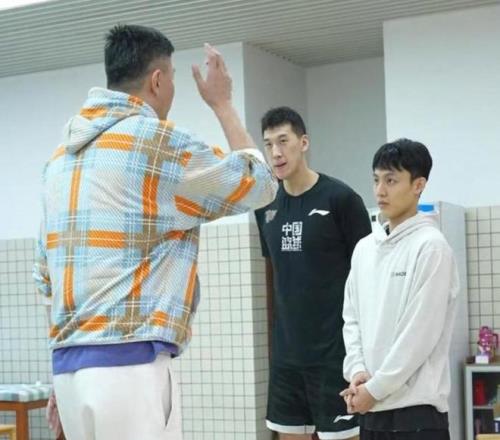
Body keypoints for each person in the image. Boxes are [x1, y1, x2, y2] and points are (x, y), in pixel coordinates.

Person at [32, 24, 277, 440]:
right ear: (158, 80)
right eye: (174, 79)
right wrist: (222, 103)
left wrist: (61, 372)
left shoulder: (59, 162)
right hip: (130, 367)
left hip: (68, 371)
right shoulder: (156, 144)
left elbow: (45, 278)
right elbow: (260, 183)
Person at [255, 107, 371, 440]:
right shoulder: (266, 206)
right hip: (286, 359)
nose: (276, 152)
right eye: (269, 144)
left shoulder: (341, 199)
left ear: (303, 142)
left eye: (283, 141)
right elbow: (276, 276)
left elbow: (367, 277)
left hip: (335, 357)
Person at [341, 138, 459, 440]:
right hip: (371, 412)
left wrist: (375, 389)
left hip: (417, 416)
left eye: (391, 180)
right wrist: (357, 371)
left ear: (418, 185)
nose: (380, 190)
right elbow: (351, 319)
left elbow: (419, 336)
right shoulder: (364, 249)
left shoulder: (431, 247)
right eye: (376, 180)